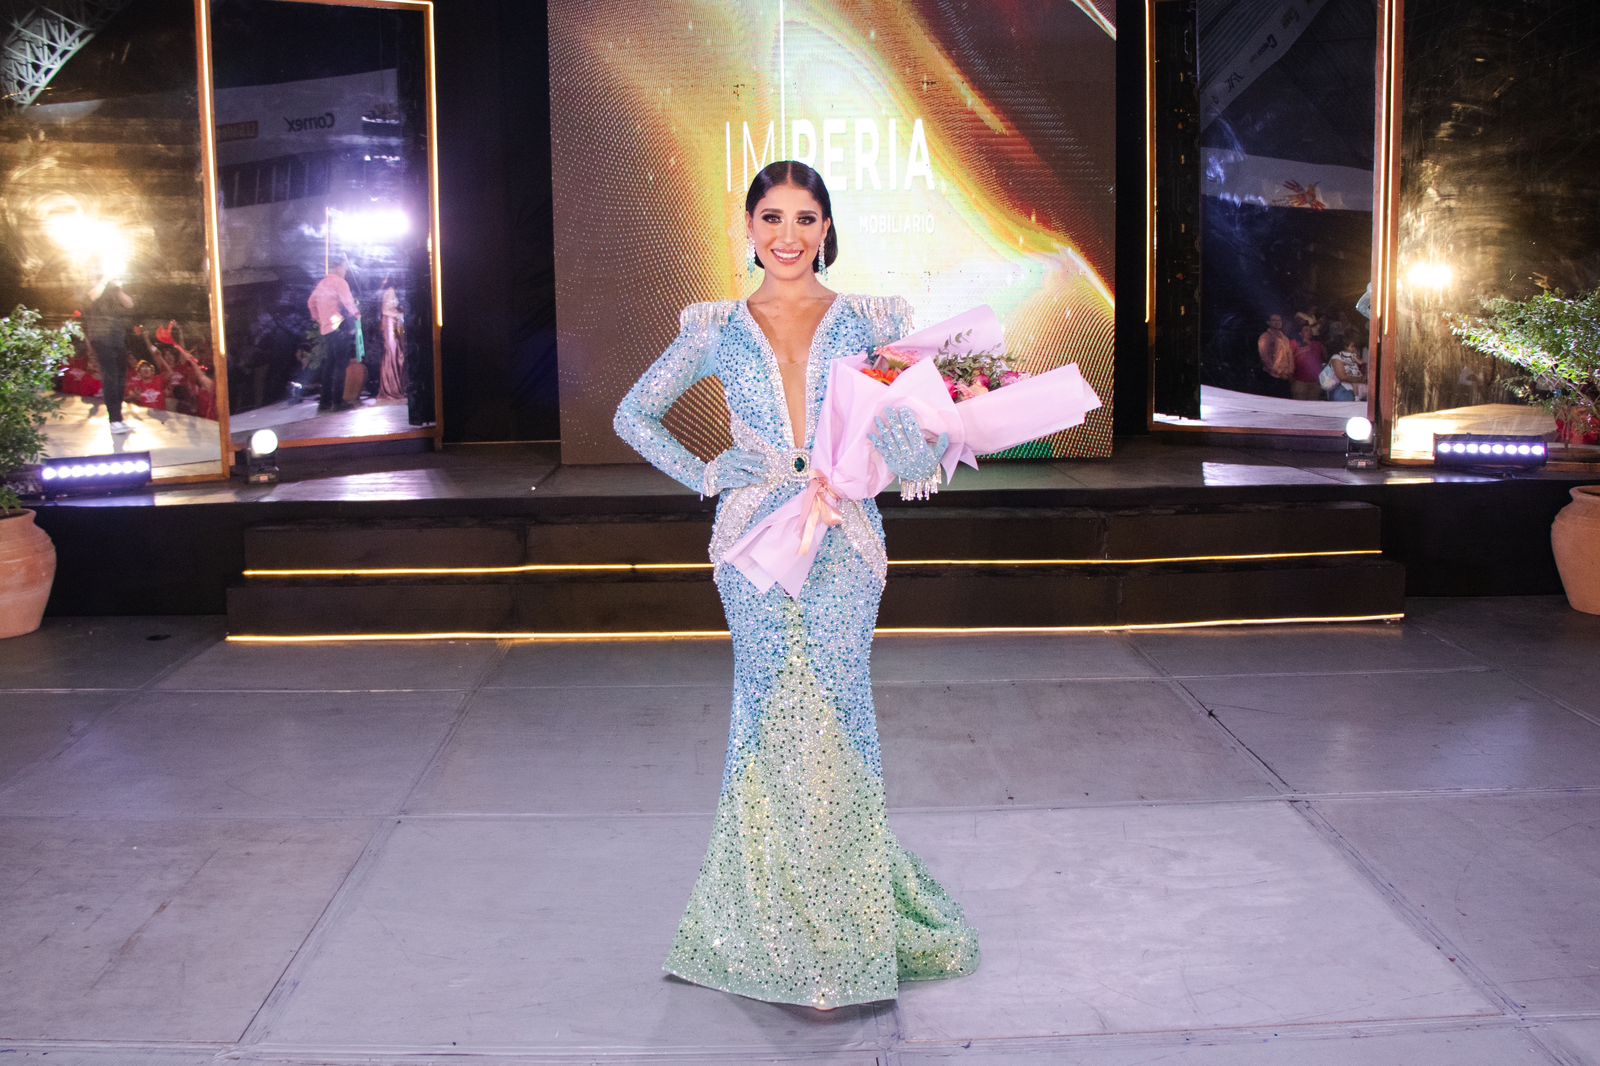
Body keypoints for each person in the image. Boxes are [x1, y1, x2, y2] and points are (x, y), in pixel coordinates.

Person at [613, 160, 979, 1010]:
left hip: (845, 538)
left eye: (805, 218)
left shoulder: (872, 325)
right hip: (753, 542)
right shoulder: (716, 328)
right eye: (772, 217)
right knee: (771, 718)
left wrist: (919, 448)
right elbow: (634, 413)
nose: (788, 235)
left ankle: (846, 926)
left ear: (827, 228)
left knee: (840, 714)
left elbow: (918, 432)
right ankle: (772, 927)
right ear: (748, 228)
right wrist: (707, 472)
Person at [307, 254, 360, 411]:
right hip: (339, 326)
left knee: (329, 364)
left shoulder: (322, 284)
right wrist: (357, 314)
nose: (345, 271)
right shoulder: (339, 282)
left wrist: (318, 318)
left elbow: (310, 302)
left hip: (327, 329)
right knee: (340, 364)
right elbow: (348, 301)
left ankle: (324, 402)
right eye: (344, 268)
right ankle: (337, 402)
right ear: (338, 268)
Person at [86, 272, 134, 433]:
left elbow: (129, 304)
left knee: (121, 377)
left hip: (117, 337)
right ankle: (114, 420)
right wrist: (104, 279)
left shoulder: (115, 290)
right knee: (111, 376)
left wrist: (118, 288)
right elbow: (92, 296)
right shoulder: (95, 286)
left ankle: (118, 417)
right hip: (101, 337)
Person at [377, 277, 407, 400]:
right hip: (390, 324)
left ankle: (394, 387)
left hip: (392, 323)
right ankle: (391, 389)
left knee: (395, 354)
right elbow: (385, 310)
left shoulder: (389, 290)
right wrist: (400, 314)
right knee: (393, 354)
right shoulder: (390, 290)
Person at [1256, 313, 1294, 397]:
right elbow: (1265, 357)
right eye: (1274, 320)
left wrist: (1290, 370)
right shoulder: (1265, 336)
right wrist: (1278, 372)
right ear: (1268, 322)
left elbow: (1289, 355)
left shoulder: (1285, 338)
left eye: (1279, 320)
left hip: (1285, 376)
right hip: (1271, 376)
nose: (1277, 322)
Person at [1290, 320, 1327, 401]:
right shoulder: (1294, 343)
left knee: (1313, 406)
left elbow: (1324, 359)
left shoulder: (1318, 344)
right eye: (1306, 330)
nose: (1309, 332)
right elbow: (1289, 360)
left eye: (1310, 330)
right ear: (1300, 333)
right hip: (1300, 382)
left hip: (1315, 383)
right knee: (1299, 405)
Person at [1328, 336, 1367, 402]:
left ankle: (1357, 397)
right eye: (1352, 346)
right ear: (1345, 347)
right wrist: (1360, 379)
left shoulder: (1352, 357)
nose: (1354, 349)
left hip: (1352, 390)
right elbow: (1342, 377)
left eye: (1355, 347)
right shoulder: (1337, 357)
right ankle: (1356, 397)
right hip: (1343, 391)